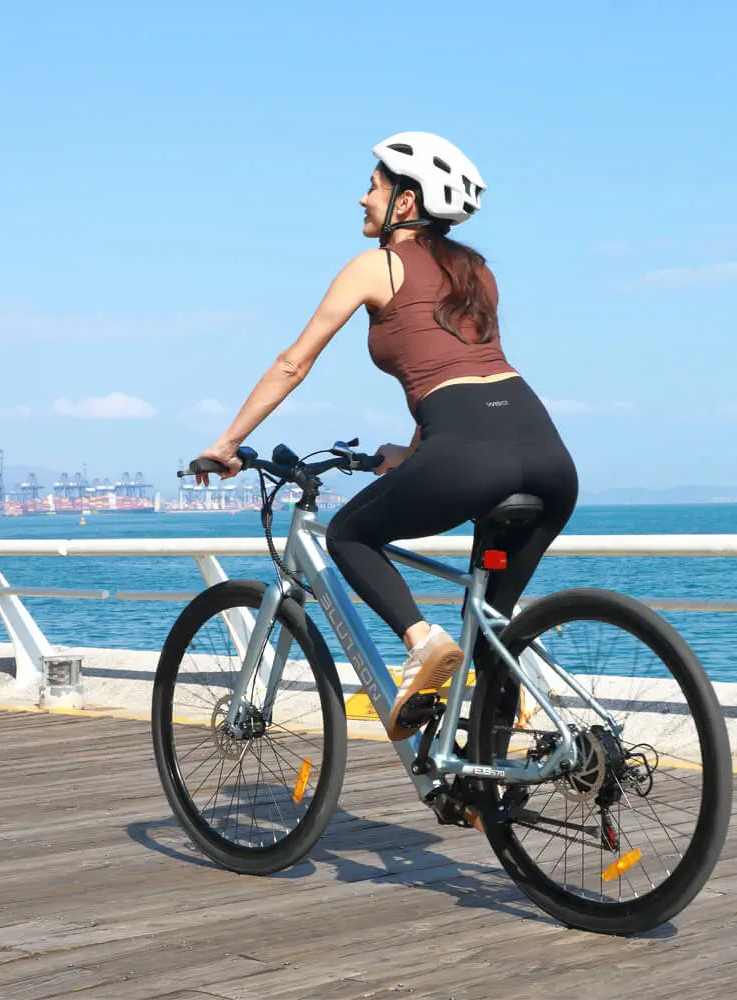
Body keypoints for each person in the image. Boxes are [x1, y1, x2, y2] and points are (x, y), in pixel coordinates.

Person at [194, 131, 578, 741]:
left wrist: (226, 442)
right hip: (546, 452)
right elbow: (467, 372)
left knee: (350, 533)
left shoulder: (376, 266)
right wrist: (415, 454)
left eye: (373, 186)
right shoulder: (477, 271)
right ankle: (487, 784)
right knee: (492, 632)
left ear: (404, 202)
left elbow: (294, 363)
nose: (362, 199)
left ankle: (420, 643)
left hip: (469, 454)